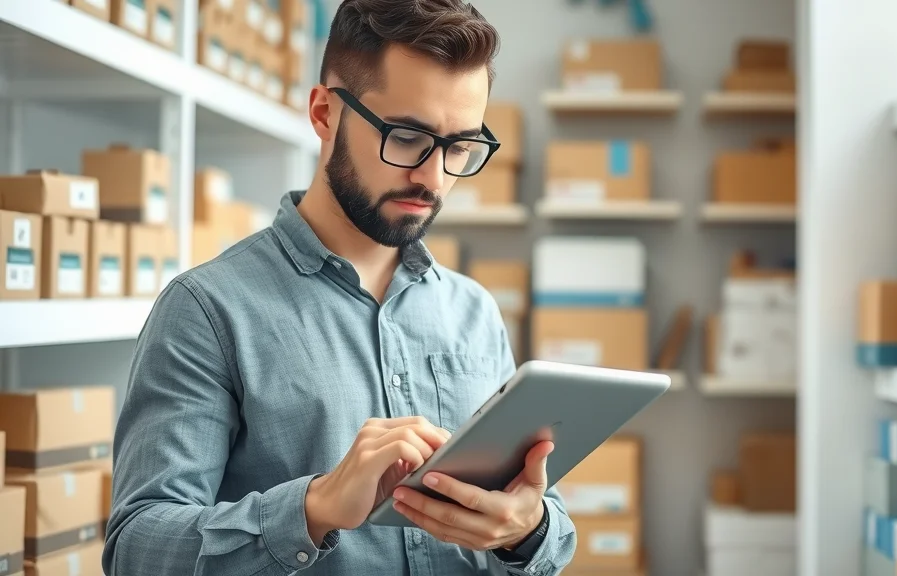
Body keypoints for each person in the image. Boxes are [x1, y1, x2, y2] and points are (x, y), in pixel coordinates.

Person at [101, 0, 578, 574]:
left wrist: (528, 530)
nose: (433, 178)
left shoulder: (472, 310)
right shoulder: (207, 311)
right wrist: (314, 507)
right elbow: (135, 549)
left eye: (460, 148)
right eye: (406, 137)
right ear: (325, 113)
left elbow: (541, 518)